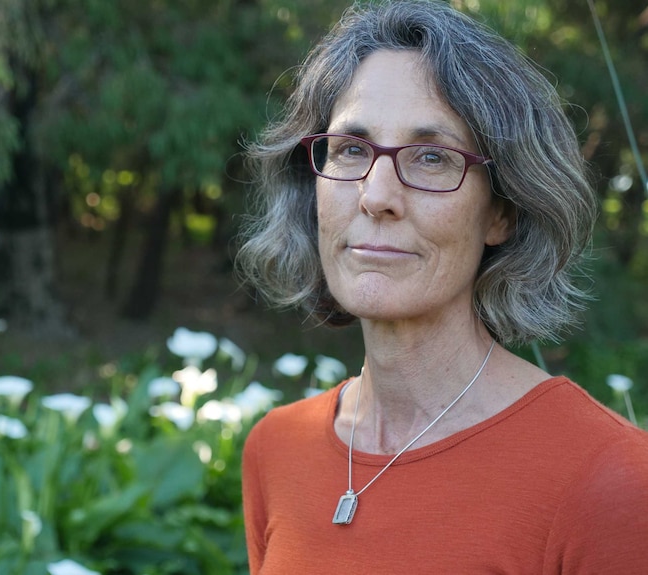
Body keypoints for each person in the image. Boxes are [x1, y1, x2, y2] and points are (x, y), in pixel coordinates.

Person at [235, 1, 648, 573]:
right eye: (352, 149)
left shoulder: (607, 479)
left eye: (431, 157)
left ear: (502, 211)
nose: (376, 195)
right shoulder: (276, 450)